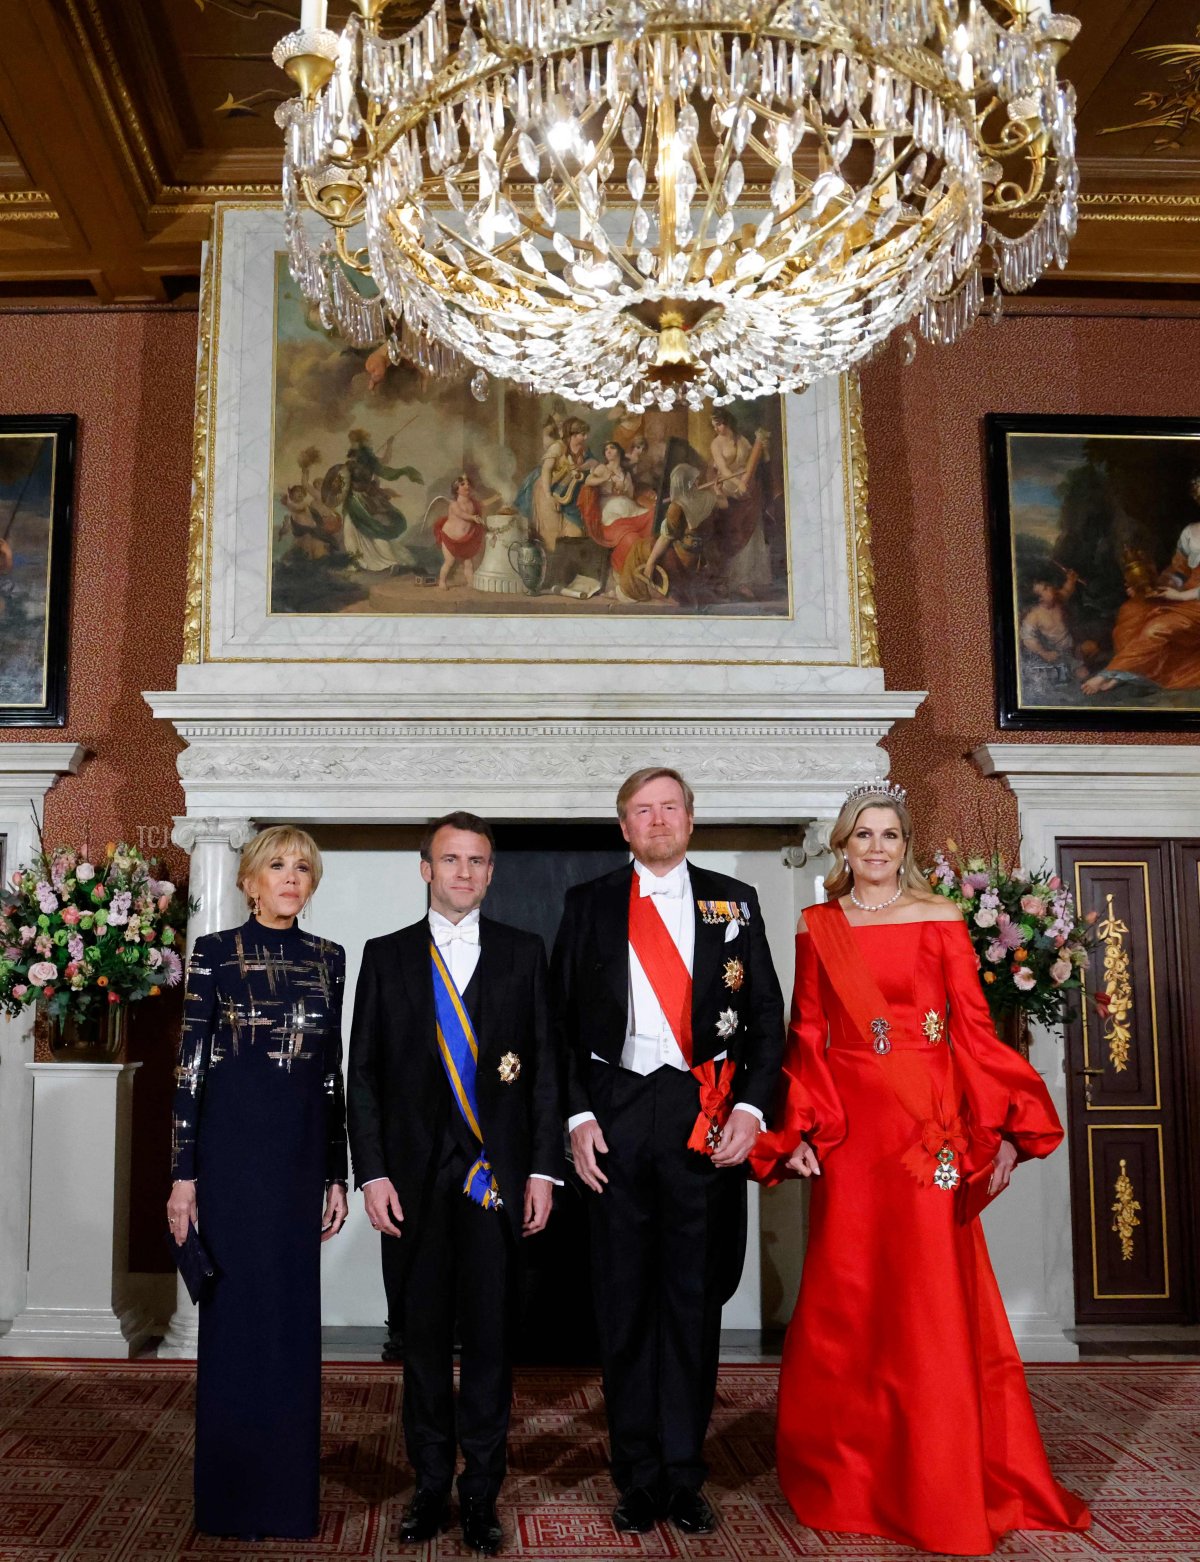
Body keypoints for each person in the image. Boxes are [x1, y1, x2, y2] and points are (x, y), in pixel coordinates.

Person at [748, 781, 1091, 1556]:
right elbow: (807, 1034)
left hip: (925, 1129)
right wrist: (799, 1128)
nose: (877, 847)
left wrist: (1003, 1130)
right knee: (849, 1292)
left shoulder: (939, 917)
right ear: (843, 844)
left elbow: (973, 1030)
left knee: (928, 1292)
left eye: (890, 834)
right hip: (851, 1136)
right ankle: (851, 1477)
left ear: (905, 846)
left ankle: (939, 1477)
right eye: (864, 834)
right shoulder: (817, 924)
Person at [552, 768, 784, 1537]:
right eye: (642, 811)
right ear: (623, 827)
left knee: (691, 1301)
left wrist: (751, 1107)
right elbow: (558, 1023)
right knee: (623, 1303)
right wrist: (576, 1115)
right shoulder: (587, 902)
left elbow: (765, 1018)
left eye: (670, 808)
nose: (657, 821)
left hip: (701, 1116)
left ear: (691, 818)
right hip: (614, 1114)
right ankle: (636, 1474)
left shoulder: (733, 901)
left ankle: (683, 1474)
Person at [347, 812, 564, 1556]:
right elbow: (363, 1075)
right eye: (450, 859)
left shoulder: (523, 953)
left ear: (491, 873)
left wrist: (543, 1170)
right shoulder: (386, 956)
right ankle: (430, 1483)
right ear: (426, 869)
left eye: (477, 861)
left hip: (493, 1182)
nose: (464, 872)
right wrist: (372, 1172)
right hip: (411, 1185)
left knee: (492, 1344)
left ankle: (481, 1494)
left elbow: (545, 1073)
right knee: (423, 1344)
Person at [166, 827, 348, 1541]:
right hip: (231, 1163)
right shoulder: (214, 954)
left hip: (298, 1161)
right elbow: (189, 1070)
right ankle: (231, 1500)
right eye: (276, 865)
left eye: (302, 867)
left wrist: (336, 1172)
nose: (291, 877)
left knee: (290, 1326)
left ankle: (287, 1500)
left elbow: (330, 1075)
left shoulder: (329, 958)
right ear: (249, 881)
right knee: (236, 1323)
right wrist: (183, 1177)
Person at [1082, 480, 1200, 694]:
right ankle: (1130, 672)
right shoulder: (1190, 531)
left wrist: (1181, 597)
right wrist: (1153, 588)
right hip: (1185, 596)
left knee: (1158, 627)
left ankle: (1110, 673)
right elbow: (1180, 571)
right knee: (1132, 610)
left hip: (1195, 603)